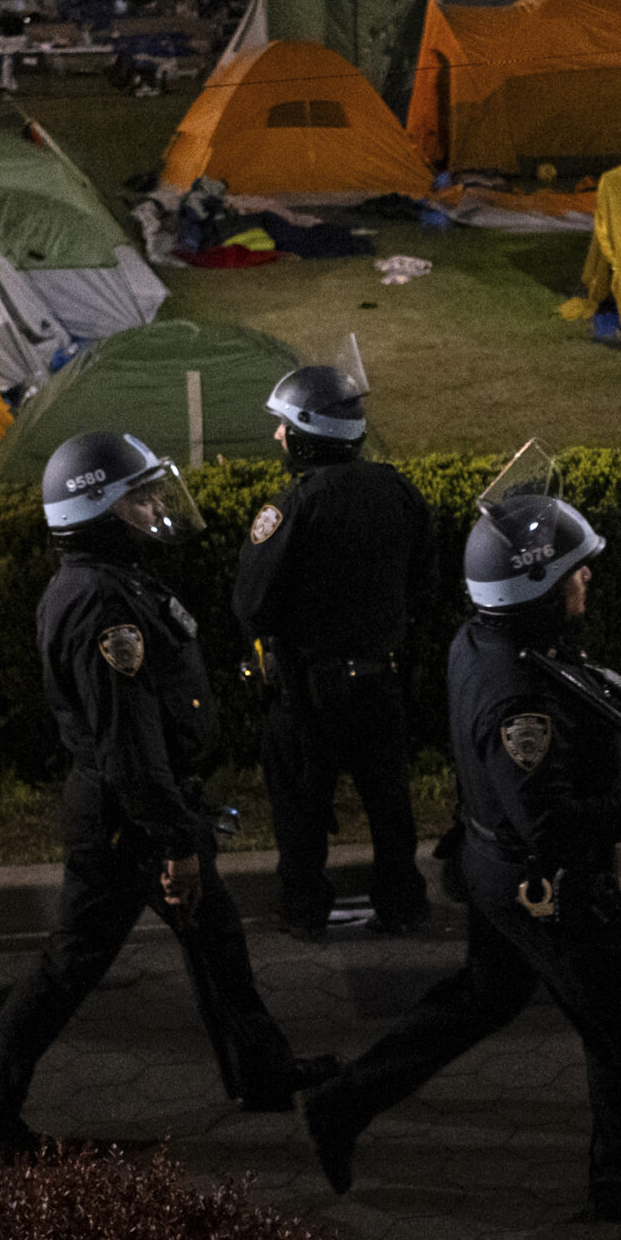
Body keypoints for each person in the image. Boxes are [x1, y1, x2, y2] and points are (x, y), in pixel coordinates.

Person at [301, 443, 621, 1225]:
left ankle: (342, 1101)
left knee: (479, 999)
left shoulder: (485, 641)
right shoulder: (521, 696)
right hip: (545, 887)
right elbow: (552, 826)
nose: (587, 578)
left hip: (493, 867)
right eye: (574, 572)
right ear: (537, 592)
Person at [0, 432, 335, 1154]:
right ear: (96, 510)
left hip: (144, 807)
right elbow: (130, 746)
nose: (156, 506)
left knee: (215, 940)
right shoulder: (102, 605)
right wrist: (175, 842)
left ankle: (264, 1071)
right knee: (73, 963)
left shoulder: (112, 579)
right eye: (140, 497)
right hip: (128, 819)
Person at [232, 351, 437, 940]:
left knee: (301, 811)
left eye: (285, 425)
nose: (278, 435)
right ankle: (402, 905)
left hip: (310, 693)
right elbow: (424, 586)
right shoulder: (400, 491)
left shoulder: (293, 506)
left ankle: (304, 911)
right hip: (382, 682)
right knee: (389, 805)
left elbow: (251, 603)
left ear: (307, 435)